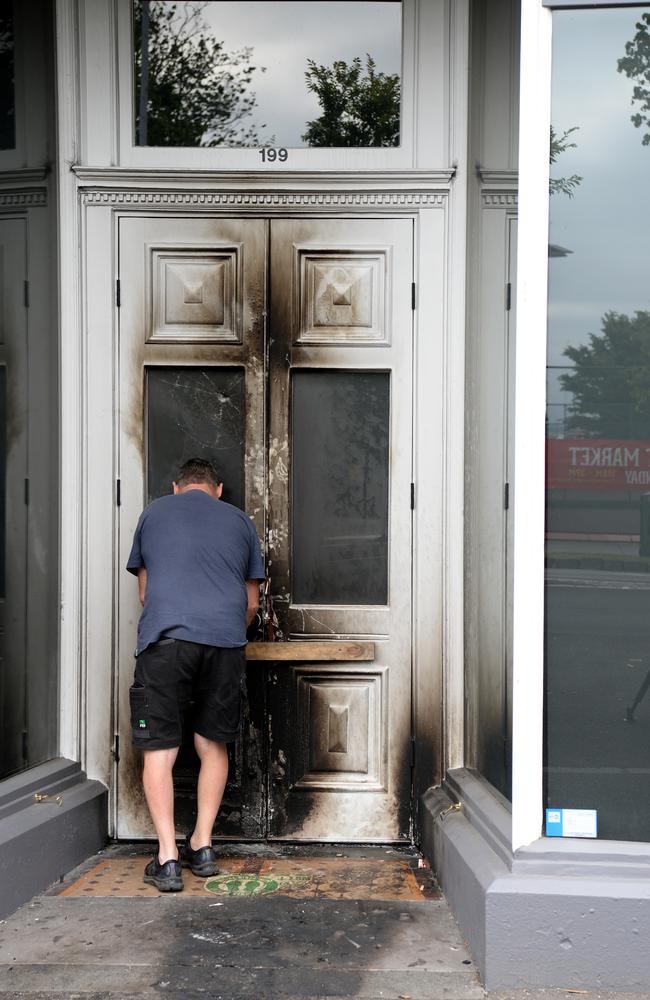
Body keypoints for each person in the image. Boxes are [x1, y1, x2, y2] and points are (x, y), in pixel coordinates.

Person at [126, 457, 264, 892]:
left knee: (160, 749)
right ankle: (202, 845)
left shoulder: (153, 513)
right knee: (211, 742)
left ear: (176, 486)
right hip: (224, 643)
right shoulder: (240, 522)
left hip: (165, 642)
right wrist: (223, 630)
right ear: (218, 489)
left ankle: (167, 856)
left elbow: (146, 592)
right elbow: (253, 602)